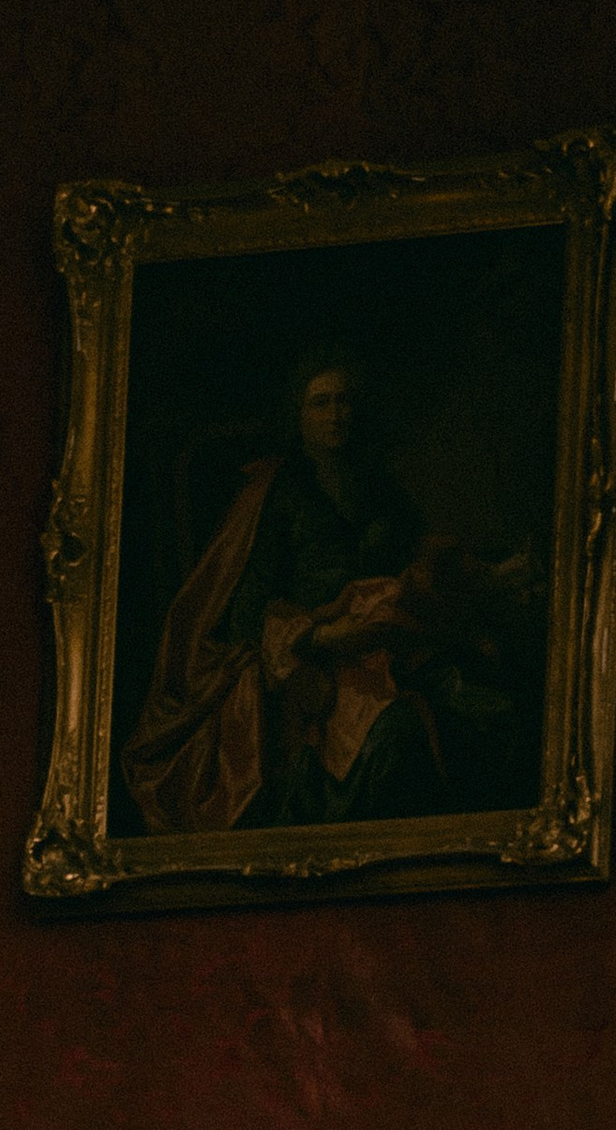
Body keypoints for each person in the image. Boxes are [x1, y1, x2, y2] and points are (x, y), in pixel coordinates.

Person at [121, 341, 534, 835]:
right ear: (299, 415)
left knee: (492, 709)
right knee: (395, 735)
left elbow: (418, 565)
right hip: (316, 658)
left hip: (395, 639)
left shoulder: (379, 484)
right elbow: (246, 614)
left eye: (344, 400)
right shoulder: (276, 492)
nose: (336, 414)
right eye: (321, 402)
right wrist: (322, 637)